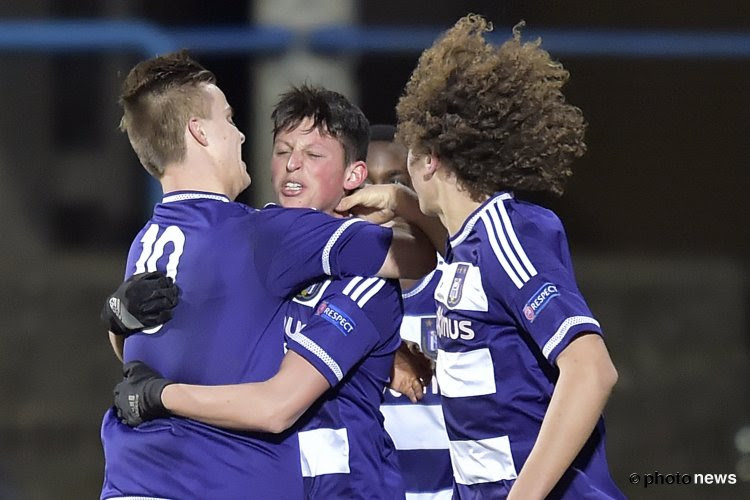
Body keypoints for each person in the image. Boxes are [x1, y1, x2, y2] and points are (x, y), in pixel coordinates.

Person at [100, 52, 432, 500]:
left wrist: (398, 199)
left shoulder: (160, 239)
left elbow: (268, 403)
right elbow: (157, 362)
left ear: (354, 175)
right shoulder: (255, 237)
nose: (240, 133)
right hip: (214, 481)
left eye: (313, 153)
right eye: (281, 150)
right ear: (199, 132)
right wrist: (120, 327)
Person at [337, 15, 624, 500]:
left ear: (428, 159)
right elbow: (477, 285)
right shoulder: (470, 245)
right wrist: (401, 202)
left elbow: (592, 370)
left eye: (409, 157)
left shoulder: (509, 233)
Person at [369, 124, 454, 499]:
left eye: (394, 183)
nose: (378, 198)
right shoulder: (332, 293)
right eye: (365, 182)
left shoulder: (458, 287)